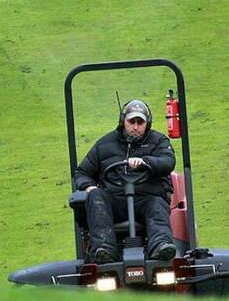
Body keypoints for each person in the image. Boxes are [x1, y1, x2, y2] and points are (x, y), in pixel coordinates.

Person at [73, 99, 177, 264]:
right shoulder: (104, 144)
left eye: (140, 122)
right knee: (96, 195)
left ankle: (160, 246)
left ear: (147, 124)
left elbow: (167, 161)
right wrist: (88, 186)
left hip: (147, 198)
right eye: (131, 122)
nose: (135, 127)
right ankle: (104, 250)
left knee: (157, 204)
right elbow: (82, 172)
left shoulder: (158, 141)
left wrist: (145, 162)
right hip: (116, 201)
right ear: (123, 121)